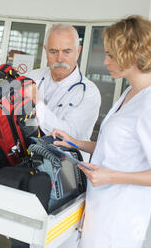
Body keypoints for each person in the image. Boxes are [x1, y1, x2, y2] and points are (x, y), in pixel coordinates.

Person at [52, 15, 151, 248]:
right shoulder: (130, 94)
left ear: (132, 54)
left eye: (111, 54)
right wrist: (74, 143)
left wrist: (112, 177)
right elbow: (113, 147)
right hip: (100, 210)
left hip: (119, 221)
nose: (105, 61)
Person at [25, 24, 101, 160]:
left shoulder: (89, 92)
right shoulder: (31, 78)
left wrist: (38, 103)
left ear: (78, 51)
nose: (60, 59)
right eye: (53, 52)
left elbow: (69, 136)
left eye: (67, 52)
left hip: (66, 167)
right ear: (45, 50)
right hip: (28, 158)